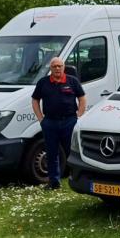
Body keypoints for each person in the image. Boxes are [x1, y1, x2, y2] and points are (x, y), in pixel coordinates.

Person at [31, 57, 86, 189]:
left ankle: (76, 178)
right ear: (50, 68)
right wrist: (41, 119)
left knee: (72, 152)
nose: (57, 68)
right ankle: (54, 182)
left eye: (59, 66)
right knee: (51, 153)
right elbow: (35, 100)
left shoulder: (72, 81)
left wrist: (78, 116)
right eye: (54, 66)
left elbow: (82, 98)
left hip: (69, 121)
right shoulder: (43, 82)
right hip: (50, 122)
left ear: (63, 67)